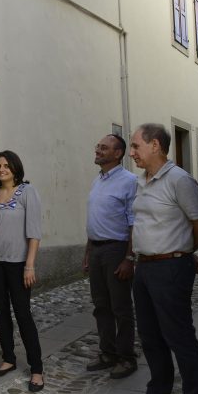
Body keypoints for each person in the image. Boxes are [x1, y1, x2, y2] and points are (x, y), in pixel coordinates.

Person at [126, 123, 198, 394]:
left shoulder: (179, 180)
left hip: (170, 268)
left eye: (136, 146)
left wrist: (185, 251)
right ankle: (159, 393)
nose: (132, 151)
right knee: (149, 335)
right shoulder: (141, 182)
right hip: (145, 267)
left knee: (179, 336)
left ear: (156, 146)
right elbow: (141, 223)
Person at [0, 150, 44, 392]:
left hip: (19, 264)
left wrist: (30, 264)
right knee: (0, 311)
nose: (1, 169)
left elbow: (34, 232)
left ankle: (37, 368)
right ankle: (8, 357)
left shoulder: (28, 192)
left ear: (15, 168)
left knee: (22, 313)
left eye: (6, 165)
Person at [83, 134, 138, 379]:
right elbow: (95, 219)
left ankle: (126, 358)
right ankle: (107, 353)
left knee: (121, 307)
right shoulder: (98, 181)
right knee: (101, 305)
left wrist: (129, 258)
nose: (97, 149)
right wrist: (88, 252)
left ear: (118, 153)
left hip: (117, 250)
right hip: (96, 249)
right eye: (97, 145)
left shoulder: (129, 182)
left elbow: (133, 223)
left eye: (103, 147)